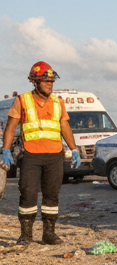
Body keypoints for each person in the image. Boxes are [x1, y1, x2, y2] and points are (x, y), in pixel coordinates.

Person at [2, 62, 79, 246]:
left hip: (54, 155)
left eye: (51, 81)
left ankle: (49, 234)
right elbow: (11, 127)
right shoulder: (22, 100)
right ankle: (26, 235)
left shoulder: (58, 102)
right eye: (46, 81)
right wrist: (5, 148)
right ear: (35, 82)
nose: (50, 84)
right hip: (31, 155)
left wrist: (73, 148)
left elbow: (64, 126)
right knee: (28, 193)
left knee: (52, 195)